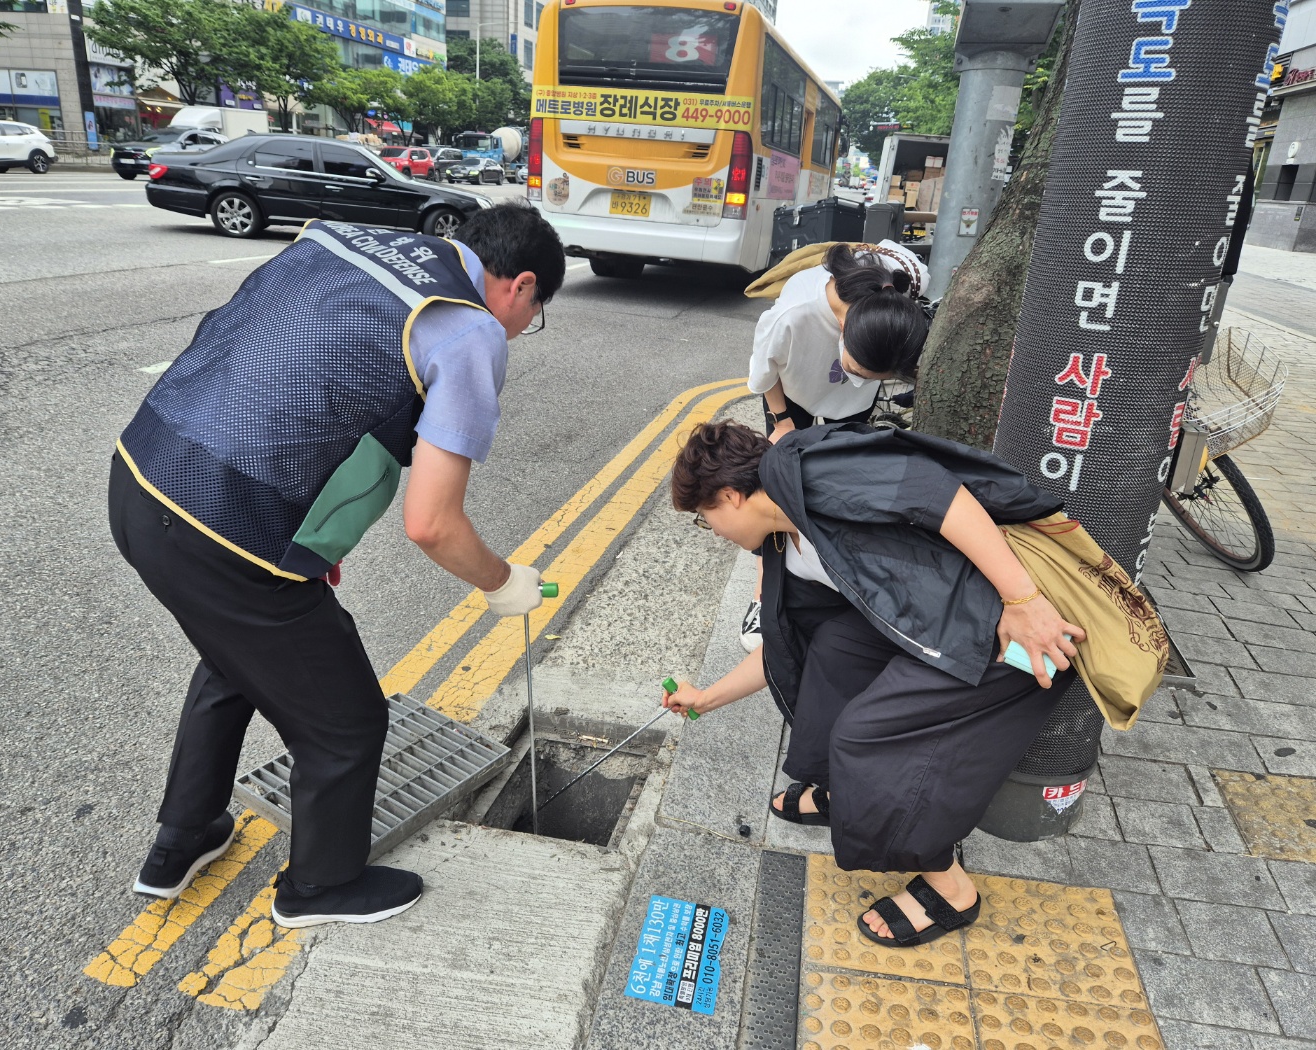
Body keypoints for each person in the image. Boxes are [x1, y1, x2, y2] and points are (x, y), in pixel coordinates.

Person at [107, 202, 566, 928]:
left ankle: (181, 841)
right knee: (347, 724)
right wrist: (502, 582)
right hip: (230, 532)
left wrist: (307, 543)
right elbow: (433, 523)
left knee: (236, 656)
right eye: (534, 313)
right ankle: (318, 888)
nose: (521, 328)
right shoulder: (470, 328)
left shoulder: (347, 239)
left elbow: (284, 380)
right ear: (523, 286)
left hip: (141, 476)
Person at [663, 419, 1085, 947]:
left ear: (730, 495)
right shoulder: (780, 536)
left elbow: (941, 494)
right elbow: (783, 642)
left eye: (707, 518)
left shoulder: (808, 473)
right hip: (935, 619)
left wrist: (1024, 602)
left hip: (1007, 636)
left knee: (866, 736)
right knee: (833, 647)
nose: (715, 532)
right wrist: (707, 698)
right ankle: (846, 792)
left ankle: (950, 887)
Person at [740, 242, 930, 652]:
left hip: (847, 409)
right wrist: (782, 422)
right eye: (857, 370)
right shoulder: (795, 315)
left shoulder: (896, 291)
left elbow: (907, 262)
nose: (861, 379)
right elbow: (762, 369)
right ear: (845, 331)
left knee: (845, 484)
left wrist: (858, 383)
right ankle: (763, 597)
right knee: (779, 490)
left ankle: (839, 580)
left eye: (872, 376)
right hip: (791, 394)